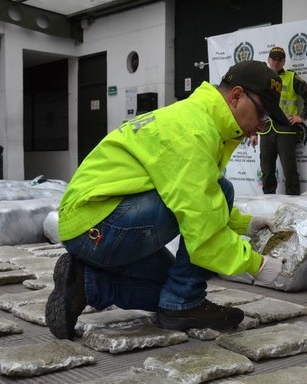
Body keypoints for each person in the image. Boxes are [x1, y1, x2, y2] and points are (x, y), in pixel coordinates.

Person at [46, 60, 290, 340]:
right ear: (236, 97)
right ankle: (184, 303)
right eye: (262, 114)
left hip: (94, 224)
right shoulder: (194, 132)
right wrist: (255, 265)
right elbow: (203, 229)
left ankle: (86, 285)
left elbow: (198, 195)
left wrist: (243, 225)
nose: (261, 126)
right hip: (98, 222)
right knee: (219, 195)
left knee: (169, 288)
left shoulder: (197, 118)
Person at [249, 46, 307, 195]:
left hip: (286, 131)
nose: (276, 62)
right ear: (268, 60)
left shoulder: (291, 77)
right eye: (273, 59)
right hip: (266, 130)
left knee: (290, 171)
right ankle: (268, 202)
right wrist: (253, 133)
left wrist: (302, 117)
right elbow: (254, 106)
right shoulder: (261, 79)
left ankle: (293, 205)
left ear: (284, 61)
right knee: (267, 171)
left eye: (280, 59)